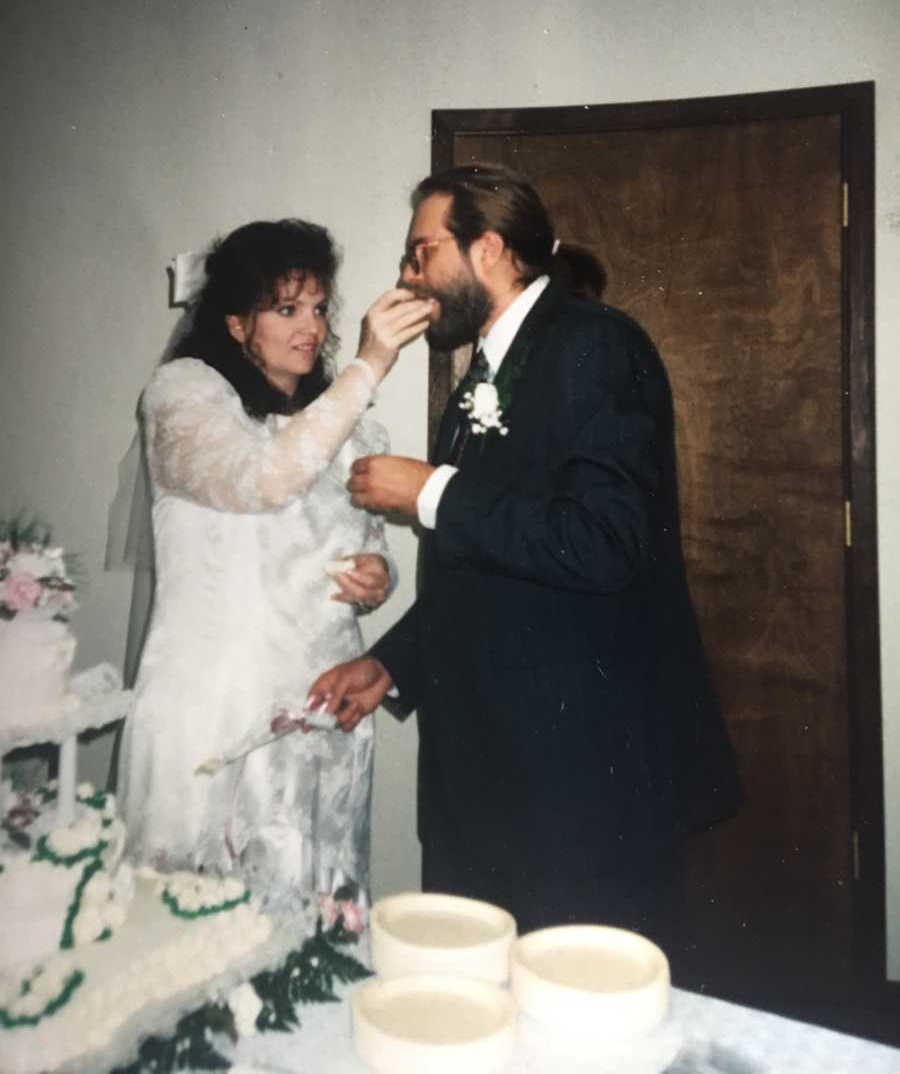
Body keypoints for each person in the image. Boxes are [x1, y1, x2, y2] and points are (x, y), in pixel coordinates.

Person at [307, 165, 741, 938]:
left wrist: (431, 492)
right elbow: (486, 575)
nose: (409, 275)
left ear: (493, 250)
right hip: (488, 774)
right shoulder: (479, 377)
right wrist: (394, 662)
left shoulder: (597, 344)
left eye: (421, 252)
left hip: (582, 780)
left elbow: (606, 543)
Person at [117, 218, 434, 916]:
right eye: (286, 309)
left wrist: (377, 576)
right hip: (219, 703)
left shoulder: (345, 424)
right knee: (198, 929)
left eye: (319, 308)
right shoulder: (183, 397)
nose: (313, 327)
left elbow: (361, 540)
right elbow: (263, 480)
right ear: (236, 324)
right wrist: (370, 364)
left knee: (312, 925)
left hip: (324, 697)